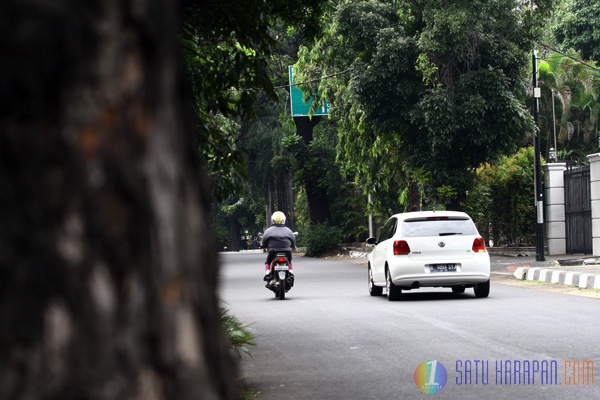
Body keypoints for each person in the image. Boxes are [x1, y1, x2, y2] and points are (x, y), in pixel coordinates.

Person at [261, 211, 295, 280]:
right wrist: (293, 246)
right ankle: (291, 271)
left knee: (268, 262)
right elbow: (293, 240)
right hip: (287, 251)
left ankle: (267, 272)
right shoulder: (288, 230)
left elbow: (264, 240)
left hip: (273, 251)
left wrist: (264, 246)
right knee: (289, 261)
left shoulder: (268, 231)